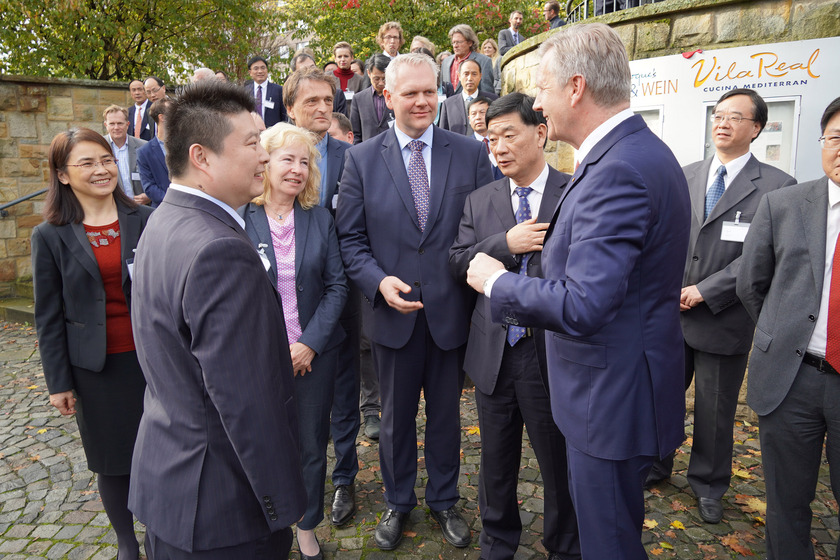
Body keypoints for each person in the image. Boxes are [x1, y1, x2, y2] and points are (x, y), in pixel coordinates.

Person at [465, 23, 690, 559]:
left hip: (607, 402)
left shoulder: (618, 171)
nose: (537, 101)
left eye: (542, 88)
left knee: (608, 544)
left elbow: (586, 302)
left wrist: (499, 282)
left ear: (576, 87)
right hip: (615, 391)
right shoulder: (629, 155)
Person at [128, 79, 306, 559]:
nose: (265, 157)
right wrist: (285, 504)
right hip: (223, 510)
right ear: (202, 156)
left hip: (171, 488)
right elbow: (247, 400)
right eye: (252, 143)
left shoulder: (163, 221)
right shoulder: (220, 249)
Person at [336, 52, 493, 551]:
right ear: (388, 98)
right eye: (410, 93)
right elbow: (351, 241)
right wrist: (378, 282)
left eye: (430, 91)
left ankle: (444, 499)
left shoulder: (468, 153)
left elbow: (486, 227)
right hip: (392, 316)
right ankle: (397, 502)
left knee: (446, 417)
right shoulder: (361, 159)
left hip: (451, 315)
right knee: (396, 420)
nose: (422, 101)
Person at [645, 89, 796, 524]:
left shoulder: (776, 187)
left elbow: (761, 257)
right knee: (662, 395)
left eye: (735, 116)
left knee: (714, 411)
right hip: (670, 313)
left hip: (723, 317)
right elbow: (663, 238)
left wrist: (707, 290)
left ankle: (709, 484)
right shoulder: (686, 174)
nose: (723, 122)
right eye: (719, 114)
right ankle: (656, 463)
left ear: (756, 127)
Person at [450, 92, 581, 560]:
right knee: (496, 462)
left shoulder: (574, 192)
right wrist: (505, 243)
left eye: (509, 134)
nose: (499, 146)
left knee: (558, 460)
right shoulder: (480, 200)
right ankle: (497, 540)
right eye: (491, 139)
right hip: (494, 351)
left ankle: (565, 545)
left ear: (541, 133)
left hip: (553, 352)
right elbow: (459, 260)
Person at [32, 127, 153, 560]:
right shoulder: (50, 235)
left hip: (154, 362)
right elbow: (47, 316)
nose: (102, 170)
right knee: (112, 459)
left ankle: (165, 532)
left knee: (163, 451)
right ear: (63, 175)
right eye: (87, 163)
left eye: (106, 160)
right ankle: (127, 542)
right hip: (96, 370)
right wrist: (58, 382)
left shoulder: (147, 219)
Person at [736, 97, 840, 560]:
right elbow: (751, 284)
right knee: (786, 504)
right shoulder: (784, 204)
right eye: (835, 137)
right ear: (822, 142)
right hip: (792, 380)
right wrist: (784, 336)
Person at [243, 123, 349, 560]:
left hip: (314, 356)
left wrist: (309, 344)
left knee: (310, 445)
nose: (298, 170)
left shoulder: (320, 219)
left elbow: (337, 287)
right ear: (264, 162)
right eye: (288, 159)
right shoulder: (238, 218)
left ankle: (306, 526)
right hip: (258, 360)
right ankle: (264, 523)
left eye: (305, 162)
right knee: (262, 442)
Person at [102, 105, 150, 205]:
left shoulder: (144, 146)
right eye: (112, 124)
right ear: (106, 125)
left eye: (120, 123)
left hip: (142, 206)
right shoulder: (99, 147)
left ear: (127, 124)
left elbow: (156, 176)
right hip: (112, 206)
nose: (116, 127)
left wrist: (149, 195)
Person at [439, 60, 498, 136]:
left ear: (480, 76)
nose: (470, 78)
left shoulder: (493, 100)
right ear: (459, 76)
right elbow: (443, 134)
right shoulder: (448, 104)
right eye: (466, 74)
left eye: (474, 74)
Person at [136, 98, 172, 207]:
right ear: (162, 117)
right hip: (162, 210)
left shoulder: (188, 145)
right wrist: (174, 202)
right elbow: (149, 187)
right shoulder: (144, 152)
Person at [349, 54, 393, 144]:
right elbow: (355, 133)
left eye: (384, 79)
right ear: (369, 73)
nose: (381, 83)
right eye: (376, 79)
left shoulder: (396, 96)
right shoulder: (359, 99)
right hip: (367, 151)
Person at [441, 24, 495, 95]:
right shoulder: (446, 62)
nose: (455, 46)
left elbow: (487, 93)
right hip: (449, 105)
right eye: (453, 42)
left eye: (459, 42)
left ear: (470, 43)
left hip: (472, 104)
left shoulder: (484, 61)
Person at [467, 97, 503, 180]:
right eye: (473, 114)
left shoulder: (503, 141)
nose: (478, 117)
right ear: (469, 119)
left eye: (482, 112)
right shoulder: (465, 146)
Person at [245, 55, 288, 127]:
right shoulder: (245, 91)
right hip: (252, 133)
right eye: (256, 68)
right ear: (250, 72)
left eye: (263, 68)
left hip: (274, 134)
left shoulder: (279, 90)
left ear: (267, 70)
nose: (260, 71)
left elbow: (285, 115)